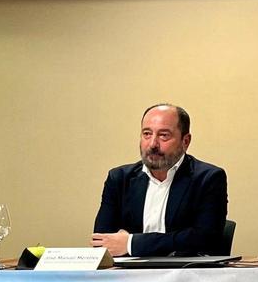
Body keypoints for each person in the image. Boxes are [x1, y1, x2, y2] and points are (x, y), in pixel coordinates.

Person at [91, 104, 228, 257]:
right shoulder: (119, 179)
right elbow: (102, 241)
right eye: (147, 134)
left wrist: (131, 243)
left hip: (185, 274)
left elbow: (205, 239)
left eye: (164, 135)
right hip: (127, 276)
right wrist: (176, 239)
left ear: (185, 141)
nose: (152, 144)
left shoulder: (208, 178)